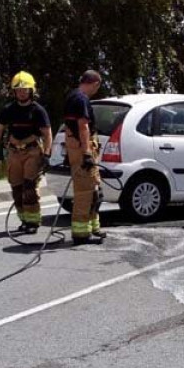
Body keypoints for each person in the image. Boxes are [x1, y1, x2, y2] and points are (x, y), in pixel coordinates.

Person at [0, 71, 53, 234]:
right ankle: (24, 219)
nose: (22, 92)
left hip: (32, 151)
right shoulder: (9, 109)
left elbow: (47, 133)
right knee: (16, 187)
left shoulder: (38, 110)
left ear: (31, 91)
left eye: (25, 89)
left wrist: (46, 154)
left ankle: (33, 221)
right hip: (14, 152)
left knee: (29, 187)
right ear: (14, 92)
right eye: (18, 90)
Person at [64, 70, 106, 245]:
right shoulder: (82, 99)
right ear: (95, 84)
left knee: (94, 191)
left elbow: (70, 126)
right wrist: (87, 153)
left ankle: (92, 227)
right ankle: (81, 234)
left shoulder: (72, 96)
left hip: (76, 147)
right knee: (85, 192)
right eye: (98, 87)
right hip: (83, 149)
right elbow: (83, 127)